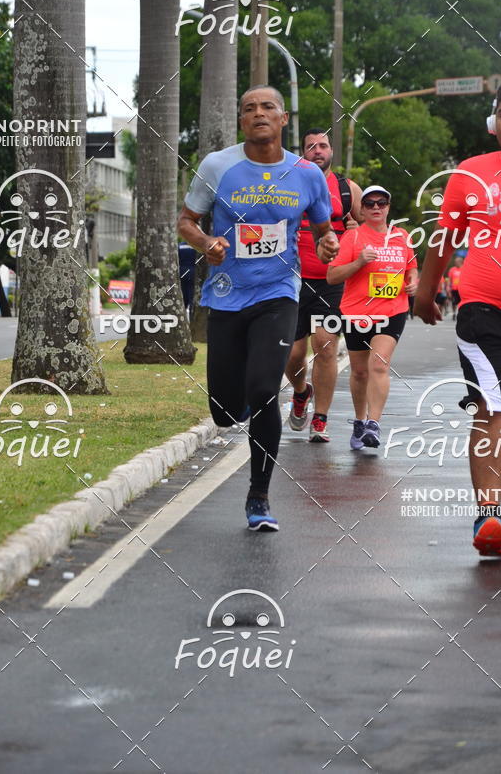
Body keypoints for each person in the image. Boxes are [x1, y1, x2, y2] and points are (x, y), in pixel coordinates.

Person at [177, 85, 338, 532]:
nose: (259, 114)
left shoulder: (307, 173)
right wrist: (206, 242)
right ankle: (243, 405)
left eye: (268, 107)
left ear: (284, 119)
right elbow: (187, 221)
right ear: (241, 121)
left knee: (264, 390)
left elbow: (323, 229)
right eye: (249, 109)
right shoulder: (218, 166)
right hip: (227, 294)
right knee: (225, 411)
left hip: (279, 293)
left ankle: (259, 496)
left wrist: (328, 245)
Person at [414, 76, 501, 556]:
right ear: (494, 120)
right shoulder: (471, 174)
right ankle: (487, 516)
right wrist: (426, 295)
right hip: (486, 312)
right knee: (496, 406)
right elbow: (444, 241)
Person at [327, 186, 418, 449]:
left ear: (389, 207)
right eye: (369, 204)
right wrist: (358, 263)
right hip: (356, 312)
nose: (376, 207)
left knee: (378, 364)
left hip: (392, 311)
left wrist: (413, 283)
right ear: (362, 209)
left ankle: (374, 424)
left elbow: (412, 269)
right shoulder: (353, 238)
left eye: (382, 202)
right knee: (359, 372)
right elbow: (332, 276)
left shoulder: (402, 236)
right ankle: (359, 421)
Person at [285, 129, 362, 442]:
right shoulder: (288, 184)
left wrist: (358, 230)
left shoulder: (347, 189)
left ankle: (321, 418)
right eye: (310, 146)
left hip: (331, 282)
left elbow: (373, 229)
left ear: (332, 151)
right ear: (302, 152)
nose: (318, 150)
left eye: (323, 146)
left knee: (326, 347)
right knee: (292, 353)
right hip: (291, 280)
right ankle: (302, 392)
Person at [446, 255, 464, 320]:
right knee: (454, 302)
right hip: (454, 289)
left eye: (457, 262)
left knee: (461, 302)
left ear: (461, 262)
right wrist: (448, 287)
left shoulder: (464, 269)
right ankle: (454, 313)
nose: (455, 263)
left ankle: (460, 313)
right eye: (455, 262)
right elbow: (449, 279)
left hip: (462, 289)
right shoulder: (452, 270)